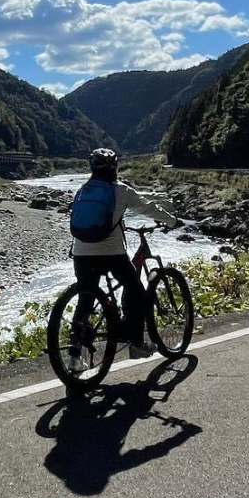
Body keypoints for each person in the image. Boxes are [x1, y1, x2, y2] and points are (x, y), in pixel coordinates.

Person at [69, 148, 180, 369]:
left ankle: (74, 356)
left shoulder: (82, 190)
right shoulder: (120, 190)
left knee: (85, 298)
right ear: (115, 168)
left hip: (81, 253)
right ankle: (136, 343)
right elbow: (147, 207)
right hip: (110, 253)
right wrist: (172, 221)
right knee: (136, 291)